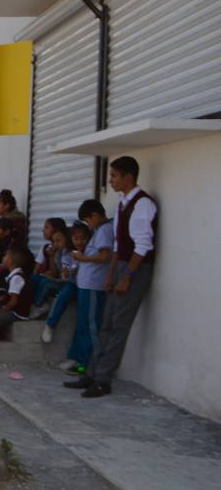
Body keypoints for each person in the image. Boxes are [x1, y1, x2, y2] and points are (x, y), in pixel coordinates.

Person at [68, 157, 156, 398]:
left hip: (135, 269)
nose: (111, 180)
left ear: (128, 177)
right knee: (107, 323)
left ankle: (104, 379)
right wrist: (111, 273)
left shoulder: (143, 204)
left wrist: (127, 276)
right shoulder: (122, 203)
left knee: (119, 326)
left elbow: (143, 245)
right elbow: (119, 244)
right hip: (120, 267)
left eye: (115, 176)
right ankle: (93, 373)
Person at [60, 212, 111, 372]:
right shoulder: (76, 252)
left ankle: (93, 365)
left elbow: (104, 257)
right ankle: (81, 361)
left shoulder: (103, 232)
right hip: (84, 287)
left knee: (91, 327)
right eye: (76, 239)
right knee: (83, 326)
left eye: (83, 238)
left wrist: (82, 259)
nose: (80, 242)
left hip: (93, 287)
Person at [33, 226, 77, 337]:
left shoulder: (74, 253)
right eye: (54, 241)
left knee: (47, 285)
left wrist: (64, 276)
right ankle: (38, 305)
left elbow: (72, 274)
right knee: (37, 279)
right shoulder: (59, 253)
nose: (55, 244)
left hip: (72, 284)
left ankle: (43, 312)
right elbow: (56, 272)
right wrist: (51, 257)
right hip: (62, 281)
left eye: (58, 241)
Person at [0, 245, 36, 339]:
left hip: (18, 314)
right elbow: (7, 295)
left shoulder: (17, 278)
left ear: (10, 261)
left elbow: (13, 302)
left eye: (5, 256)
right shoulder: (12, 276)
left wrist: (0, 312)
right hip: (12, 310)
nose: (3, 257)